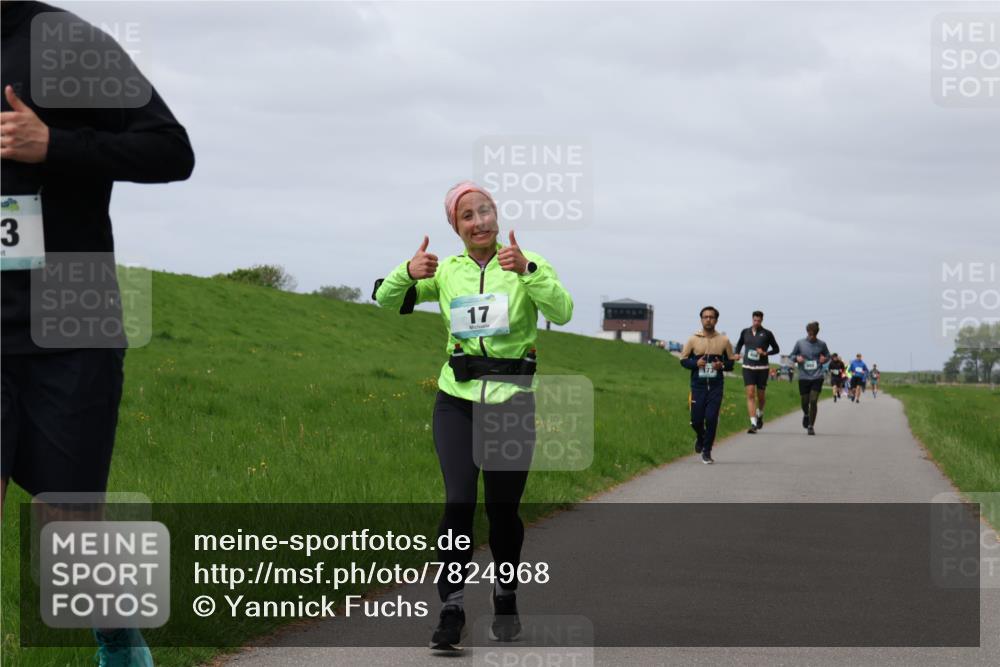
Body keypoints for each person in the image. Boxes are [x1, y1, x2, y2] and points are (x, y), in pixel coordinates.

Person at [2, 3, 195, 665]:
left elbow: (171, 150)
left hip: (71, 317)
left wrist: (52, 145)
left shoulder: (69, 42)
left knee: (71, 537)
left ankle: (118, 638)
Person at [374, 181, 572, 651]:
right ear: (456, 227)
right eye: (468, 216)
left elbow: (562, 311)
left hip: (512, 401)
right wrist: (405, 271)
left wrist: (528, 270)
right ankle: (452, 609)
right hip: (456, 398)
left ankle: (505, 596)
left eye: (485, 211)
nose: (479, 221)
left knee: (503, 512)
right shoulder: (446, 273)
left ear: (496, 216)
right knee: (459, 500)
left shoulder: (525, 264)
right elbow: (385, 299)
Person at [679, 307, 735, 464]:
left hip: (716, 386)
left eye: (711, 317)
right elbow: (683, 360)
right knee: (696, 421)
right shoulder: (693, 339)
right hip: (698, 386)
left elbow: (731, 363)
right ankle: (700, 437)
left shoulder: (724, 340)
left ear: (716, 320)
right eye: (705, 317)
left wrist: (722, 365)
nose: (708, 319)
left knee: (711, 419)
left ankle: (707, 451)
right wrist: (695, 363)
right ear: (701, 319)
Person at [733, 310, 780, 433]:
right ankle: (753, 423)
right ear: (752, 319)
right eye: (755, 320)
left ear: (762, 320)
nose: (756, 322)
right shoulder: (745, 332)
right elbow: (739, 344)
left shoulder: (767, 334)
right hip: (748, 367)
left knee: (761, 396)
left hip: (762, 368)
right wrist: (737, 353)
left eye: (759, 320)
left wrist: (765, 353)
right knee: (750, 394)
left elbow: (776, 349)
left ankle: (760, 413)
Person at [787, 322, 830, 435]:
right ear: (807, 332)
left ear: (816, 333)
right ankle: (806, 414)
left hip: (817, 376)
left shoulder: (822, 344)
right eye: (810, 334)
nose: (812, 337)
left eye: (814, 335)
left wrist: (824, 360)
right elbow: (791, 356)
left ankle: (811, 426)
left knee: (813, 400)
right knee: (805, 401)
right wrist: (797, 358)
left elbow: (828, 356)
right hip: (804, 377)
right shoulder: (800, 343)